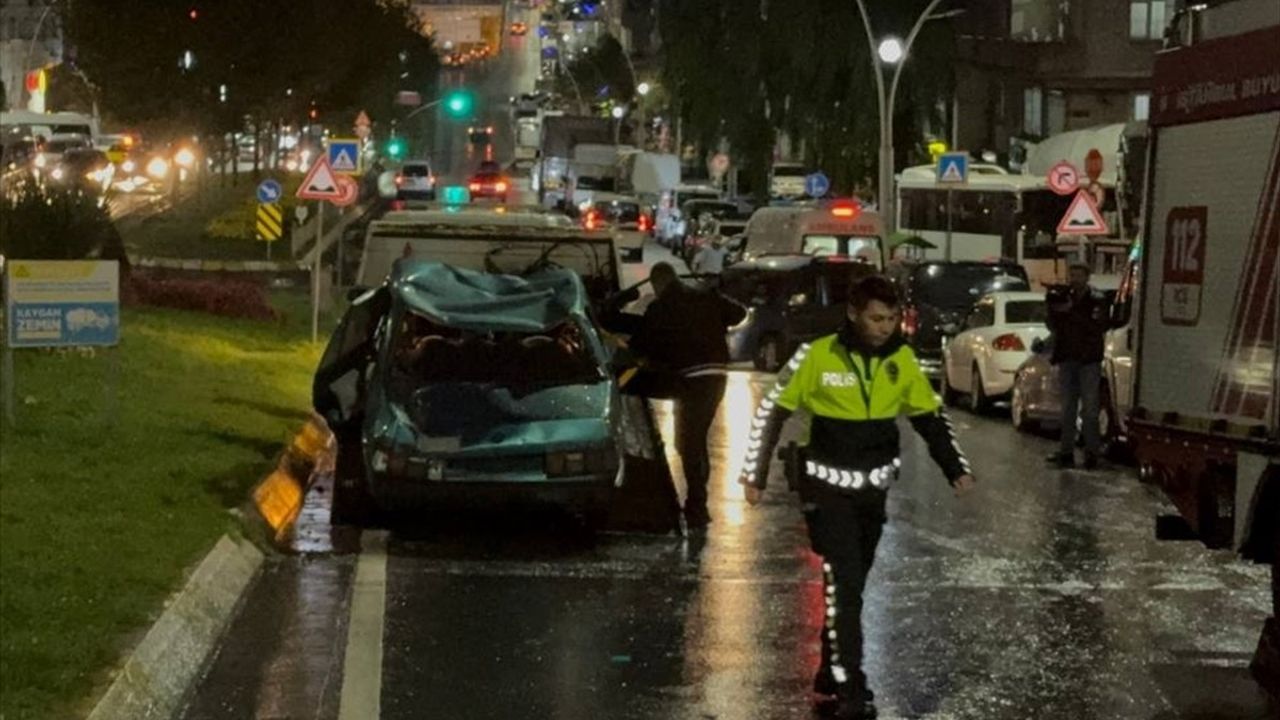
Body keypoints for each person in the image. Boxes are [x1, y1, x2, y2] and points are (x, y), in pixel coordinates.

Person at [739, 275, 976, 720]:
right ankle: (851, 684)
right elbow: (774, 409)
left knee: (851, 586)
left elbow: (930, 417)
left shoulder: (901, 360)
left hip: (873, 492)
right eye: (875, 318)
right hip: (826, 490)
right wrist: (754, 472)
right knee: (845, 585)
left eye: (890, 319)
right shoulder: (817, 355)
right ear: (853, 313)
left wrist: (956, 469)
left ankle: (831, 669)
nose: (884, 327)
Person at [628, 262, 747, 530]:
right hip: (717, 377)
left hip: (690, 379)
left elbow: (642, 345)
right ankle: (697, 501)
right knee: (694, 438)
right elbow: (738, 313)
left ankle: (697, 505)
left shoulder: (660, 309)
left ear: (657, 284)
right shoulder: (706, 296)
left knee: (689, 441)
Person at [1045, 263, 1110, 469]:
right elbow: (1053, 322)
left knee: (1090, 409)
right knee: (1068, 409)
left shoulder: (1096, 299)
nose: (1074, 279)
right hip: (1068, 357)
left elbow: (1098, 324)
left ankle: (1091, 453)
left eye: (1079, 275)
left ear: (1087, 277)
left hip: (1088, 359)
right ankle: (1066, 452)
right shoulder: (1064, 296)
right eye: (1072, 275)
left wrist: (1070, 311)